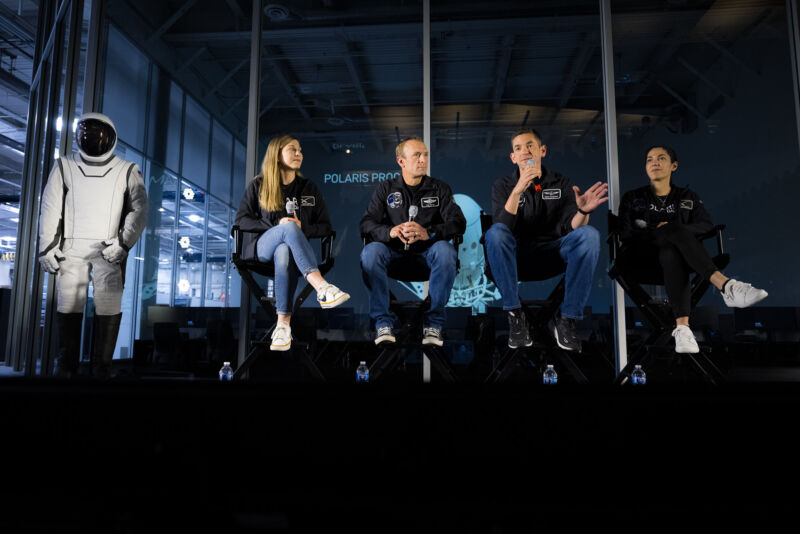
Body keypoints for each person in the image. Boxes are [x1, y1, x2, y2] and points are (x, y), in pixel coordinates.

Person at [618, 145, 767, 353]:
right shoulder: (633, 198)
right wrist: (660, 231)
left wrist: (675, 230)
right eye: (650, 159)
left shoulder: (687, 196)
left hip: (680, 260)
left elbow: (706, 225)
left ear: (674, 166)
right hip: (643, 258)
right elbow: (625, 233)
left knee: (671, 250)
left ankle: (683, 329)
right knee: (671, 233)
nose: (655, 163)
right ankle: (726, 286)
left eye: (661, 158)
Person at [38, 112, 148, 379]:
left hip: (108, 249)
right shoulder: (64, 166)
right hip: (72, 248)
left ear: (110, 137)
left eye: (98, 134)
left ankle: (102, 368)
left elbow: (140, 209)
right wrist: (47, 247)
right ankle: (66, 367)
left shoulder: (127, 169)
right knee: (69, 304)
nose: (92, 139)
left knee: (108, 305)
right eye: (86, 134)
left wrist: (123, 242)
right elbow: (50, 208)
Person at [485, 128, 607, 352]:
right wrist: (518, 190)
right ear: (513, 157)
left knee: (590, 234)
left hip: (553, 254)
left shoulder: (561, 182)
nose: (525, 151)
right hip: (516, 257)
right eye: (518, 148)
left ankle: (568, 320)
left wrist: (583, 211)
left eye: (530, 145)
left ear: (542, 150)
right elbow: (503, 226)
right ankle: (515, 316)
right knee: (494, 233)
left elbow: (570, 227)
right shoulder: (502, 186)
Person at [234, 135, 349, 351]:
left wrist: (302, 227)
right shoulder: (258, 185)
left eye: (300, 150)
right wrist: (277, 227)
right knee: (287, 229)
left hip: (290, 253)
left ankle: (282, 326)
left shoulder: (309, 188)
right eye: (292, 149)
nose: (299, 154)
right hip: (261, 248)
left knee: (285, 248)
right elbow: (241, 220)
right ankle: (321, 286)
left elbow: (325, 227)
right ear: (277, 156)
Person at [360, 137, 466, 346]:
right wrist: (390, 231)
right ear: (401, 162)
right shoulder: (386, 189)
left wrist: (430, 233)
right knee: (370, 252)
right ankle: (383, 322)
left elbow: (458, 223)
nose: (423, 159)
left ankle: (434, 325)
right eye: (417, 155)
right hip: (394, 257)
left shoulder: (439, 188)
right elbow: (366, 224)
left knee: (445, 250)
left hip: (427, 258)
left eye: (425, 154)